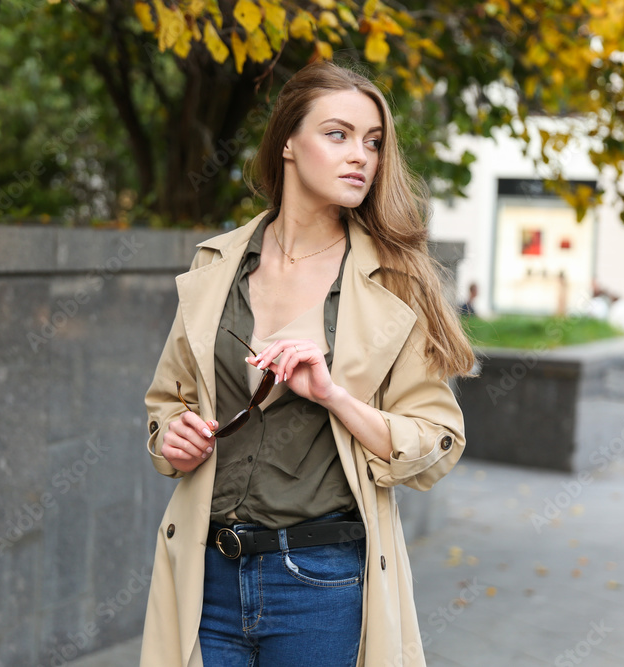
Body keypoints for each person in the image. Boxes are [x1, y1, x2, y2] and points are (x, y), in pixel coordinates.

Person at [139, 61, 475, 667]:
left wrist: (334, 396)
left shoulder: (395, 282)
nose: (362, 157)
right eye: (338, 134)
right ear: (288, 142)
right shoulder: (216, 266)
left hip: (319, 580)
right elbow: (167, 406)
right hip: (207, 572)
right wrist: (175, 439)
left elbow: (437, 444)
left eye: (373, 142)